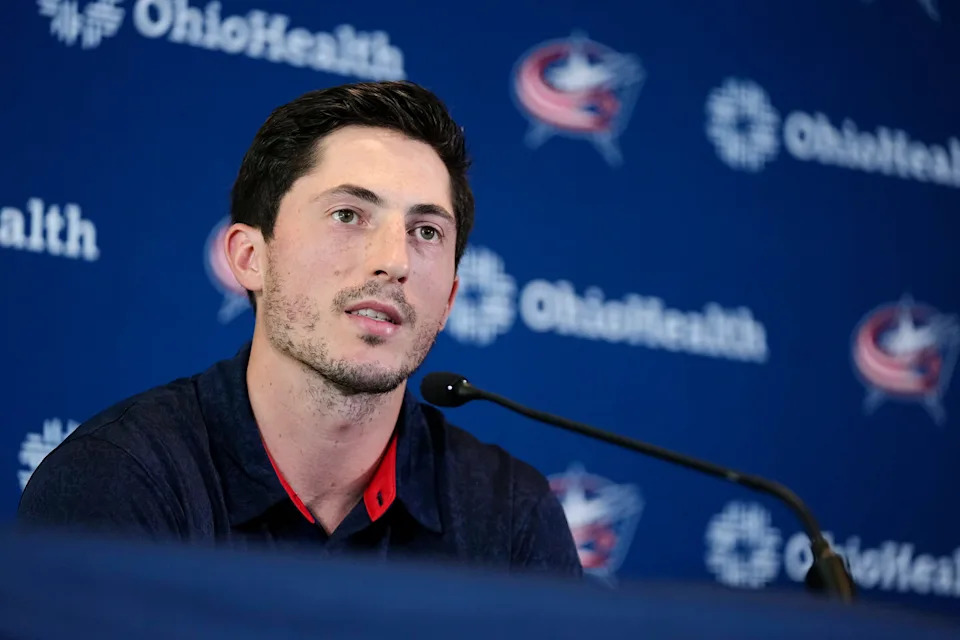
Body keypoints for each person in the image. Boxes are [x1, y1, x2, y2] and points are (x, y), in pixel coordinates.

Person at [18, 81, 582, 578]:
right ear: (249, 257)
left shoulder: (512, 515)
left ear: (452, 295)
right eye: (348, 215)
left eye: (427, 231)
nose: (396, 260)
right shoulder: (118, 481)